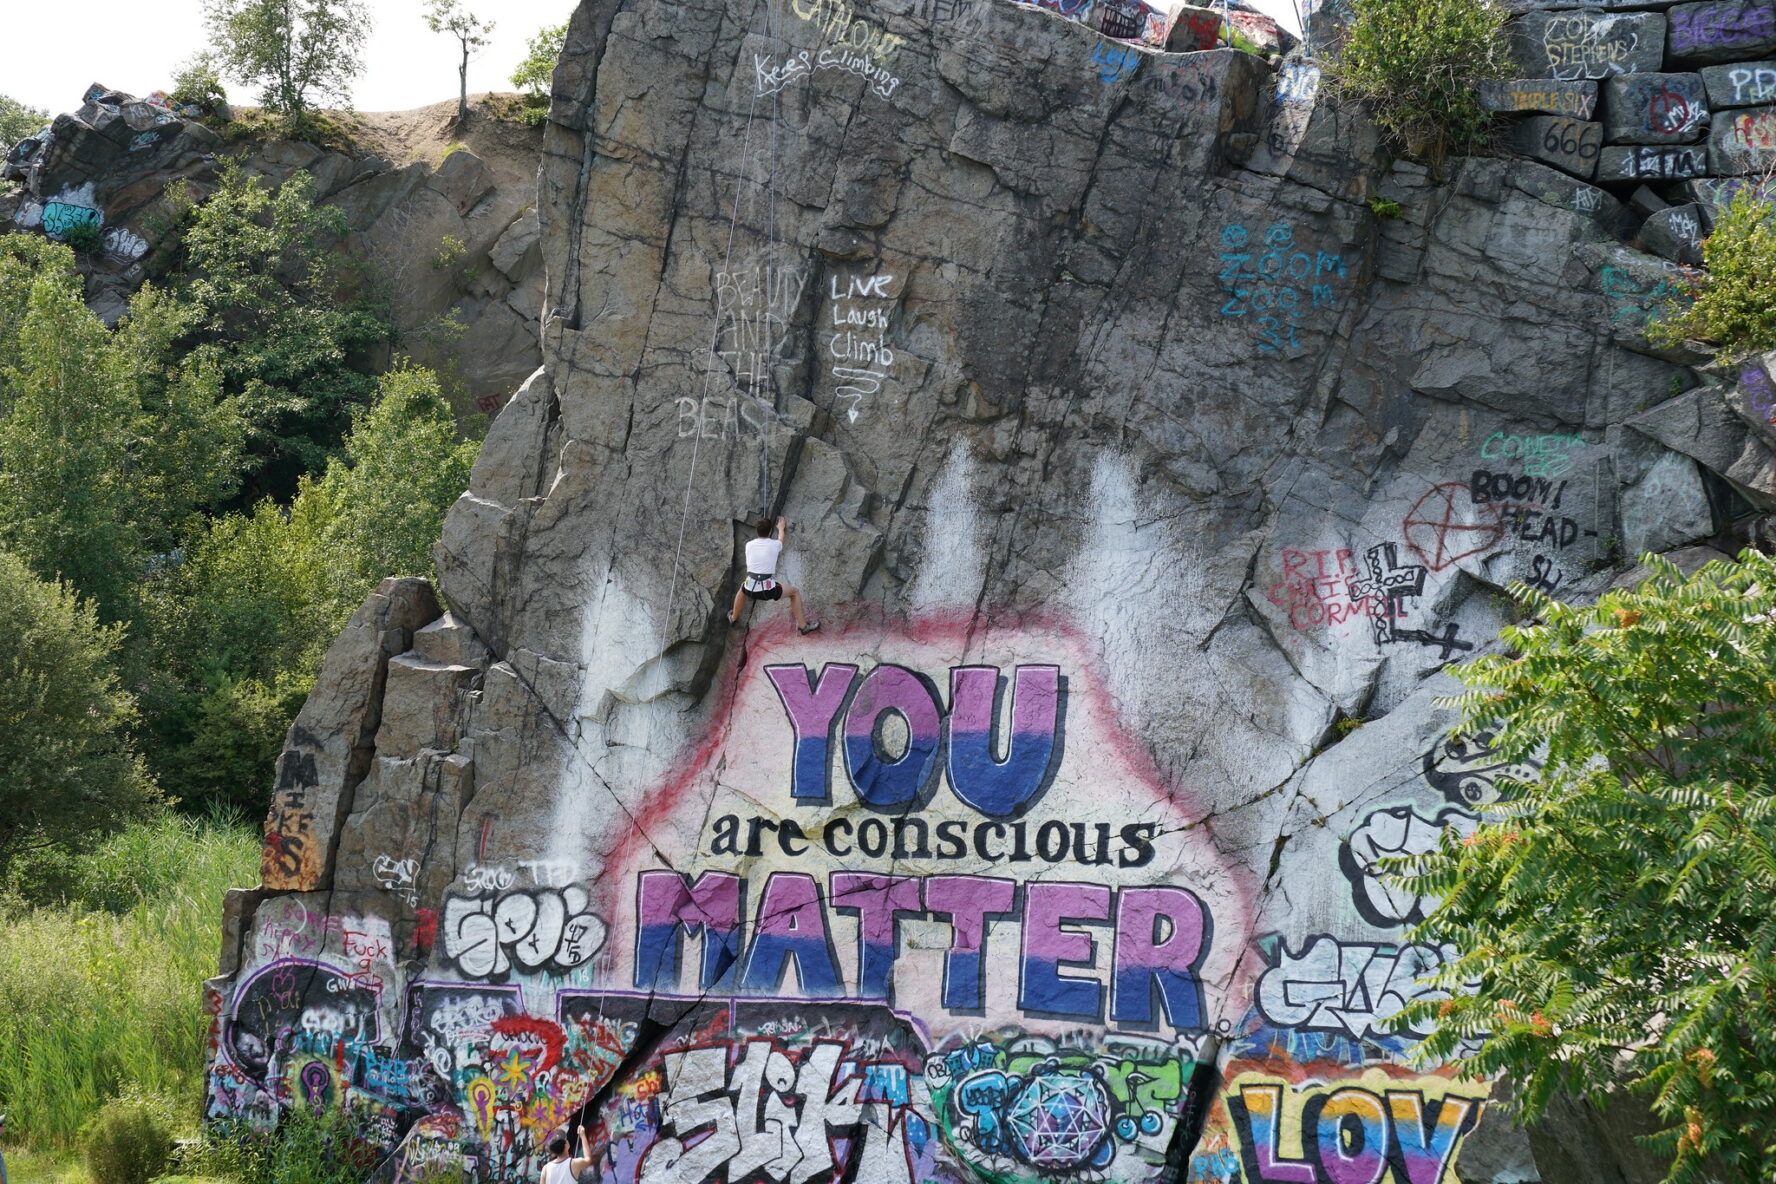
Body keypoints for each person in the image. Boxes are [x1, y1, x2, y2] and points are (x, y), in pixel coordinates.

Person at [728, 517, 820, 633]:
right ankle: (803, 627)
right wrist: (781, 528)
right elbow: (781, 539)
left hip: (750, 588)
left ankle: (733, 617)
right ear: (770, 531)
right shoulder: (775, 545)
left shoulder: (749, 545)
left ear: (757, 530)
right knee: (794, 592)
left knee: (742, 588)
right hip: (767, 591)